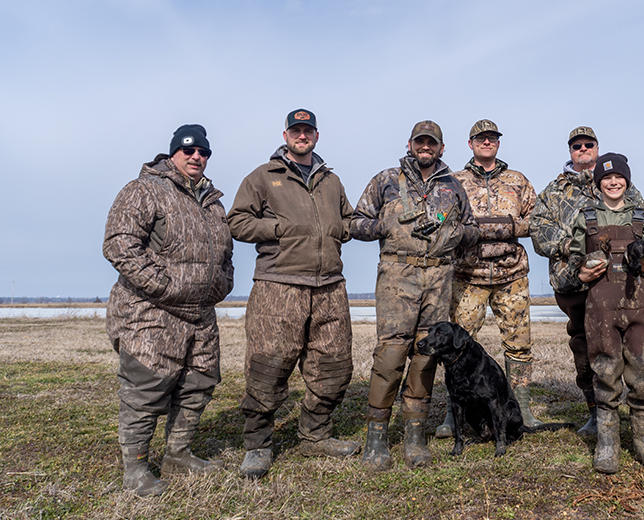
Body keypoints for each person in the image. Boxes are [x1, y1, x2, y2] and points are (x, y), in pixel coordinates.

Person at [227, 109, 358, 479]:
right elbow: (237, 221)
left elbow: (348, 220)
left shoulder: (331, 180)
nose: (303, 136)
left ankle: (316, 434)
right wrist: (279, 229)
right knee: (268, 366)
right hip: (278, 284)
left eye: (308, 131)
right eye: (296, 130)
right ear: (285, 135)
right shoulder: (263, 176)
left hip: (330, 285)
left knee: (334, 365)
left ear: (316, 136)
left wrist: (341, 230)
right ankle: (258, 445)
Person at [103, 124, 233, 496]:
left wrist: (223, 282)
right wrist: (164, 285)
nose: (197, 157)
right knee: (146, 388)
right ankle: (136, 469)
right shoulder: (144, 190)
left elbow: (225, 253)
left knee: (199, 384)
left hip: (201, 314)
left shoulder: (212, 201)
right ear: (174, 152)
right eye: (189, 150)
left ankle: (178, 453)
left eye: (203, 152)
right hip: (151, 312)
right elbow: (119, 244)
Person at [530, 127, 644, 446]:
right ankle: (597, 413)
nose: (583, 149)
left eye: (588, 144)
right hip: (574, 282)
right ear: (570, 151)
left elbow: (643, 227)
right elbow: (538, 228)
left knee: (635, 349)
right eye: (576, 145)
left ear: (597, 148)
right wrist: (575, 247)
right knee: (586, 348)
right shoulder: (554, 191)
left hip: (622, 284)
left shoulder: (620, 183)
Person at [351, 120, 478, 471]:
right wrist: (384, 225)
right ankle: (376, 437)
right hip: (397, 275)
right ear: (410, 145)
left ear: (441, 148)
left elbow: (472, 229)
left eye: (432, 143)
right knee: (391, 354)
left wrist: (455, 233)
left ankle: (415, 436)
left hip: (439, 277)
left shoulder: (453, 185)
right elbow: (355, 223)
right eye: (420, 142)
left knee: (426, 354)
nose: (426, 147)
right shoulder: (386, 180)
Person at [435, 119, 540, 440]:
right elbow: (441, 220)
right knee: (457, 346)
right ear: (470, 143)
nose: (486, 142)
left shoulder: (517, 180)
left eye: (492, 138)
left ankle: (521, 408)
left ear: (498, 143)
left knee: (519, 344)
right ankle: (453, 413)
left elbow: (537, 219)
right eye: (480, 138)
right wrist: (470, 231)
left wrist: (508, 226)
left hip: (511, 274)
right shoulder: (454, 181)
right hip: (469, 275)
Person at [567, 153, 644, 474]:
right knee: (605, 373)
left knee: (643, 372)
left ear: (627, 180)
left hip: (638, 306)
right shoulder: (586, 216)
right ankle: (607, 443)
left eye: (619, 178)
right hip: (600, 309)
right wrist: (582, 270)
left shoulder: (641, 214)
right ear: (599, 183)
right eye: (607, 178)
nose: (613, 183)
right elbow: (573, 260)